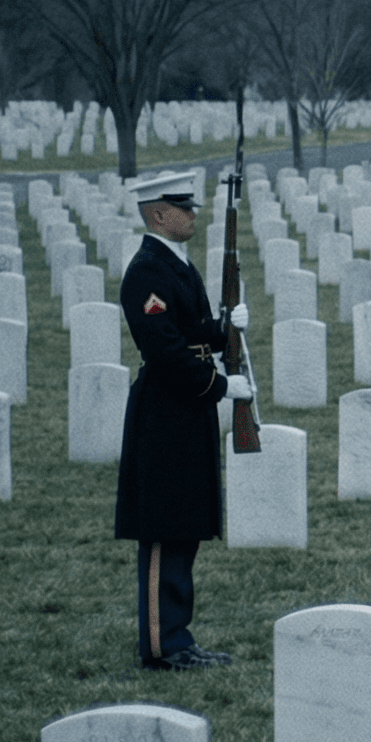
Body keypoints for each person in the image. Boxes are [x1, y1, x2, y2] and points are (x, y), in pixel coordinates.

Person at [117, 170, 253, 671]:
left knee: (185, 526)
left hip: (187, 410)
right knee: (162, 529)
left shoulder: (177, 265)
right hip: (165, 411)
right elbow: (165, 349)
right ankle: (160, 645)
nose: (193, 214)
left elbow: (191, 330)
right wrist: (220, 386)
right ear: (157, 213)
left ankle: (178, 636)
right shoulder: (147, 271)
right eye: (183, 207)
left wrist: (224, 330)